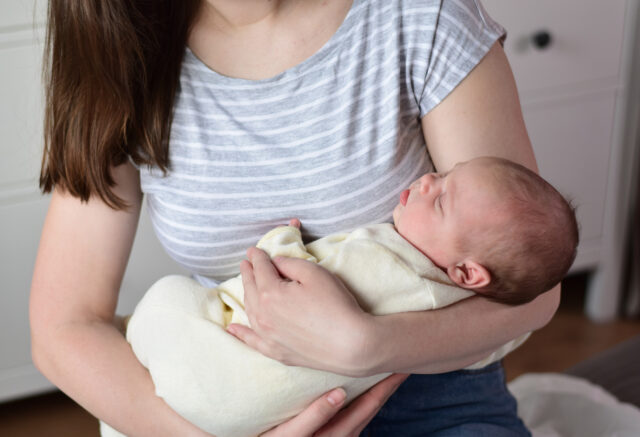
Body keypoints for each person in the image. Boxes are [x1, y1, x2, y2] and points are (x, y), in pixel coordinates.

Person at [30, 0, 561, 436]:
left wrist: (369, 346)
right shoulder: (121, 54)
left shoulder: (423, 15)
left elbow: (534, 288)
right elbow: (65, 327)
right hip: (225, 409)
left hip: (431, 396)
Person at [100, 156, 578, 437]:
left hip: (238, 394)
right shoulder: (457, 297)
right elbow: (509, 330)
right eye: (444, 174)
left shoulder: (386, 258)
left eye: (441, 199)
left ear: (468, 272)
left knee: (169, 298)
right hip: (253, 418)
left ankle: (136, 335)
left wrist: (282, 239)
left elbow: (292, 274)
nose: (428, 180)